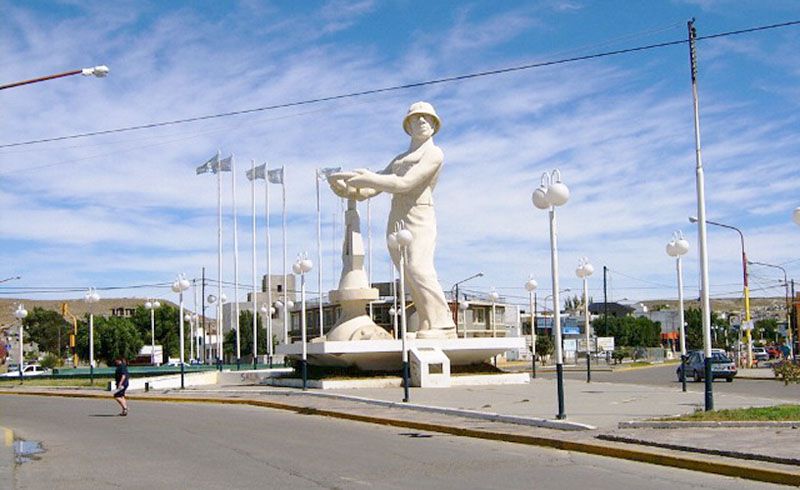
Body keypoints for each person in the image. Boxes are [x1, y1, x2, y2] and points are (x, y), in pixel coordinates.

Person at [330, 101, 456, 339]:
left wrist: (368, 178)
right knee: (407, 272)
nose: (421, 121)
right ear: (408, 125)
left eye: (426, 118)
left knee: (419, 267)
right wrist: (346, 189)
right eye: (416, 118)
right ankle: (427, 323)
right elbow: (371, 190)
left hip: (420, 215)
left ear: (434, 124)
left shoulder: (434, 153)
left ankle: (443, 323)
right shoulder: (400, 158)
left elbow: (404, 184)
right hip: (397, 217)